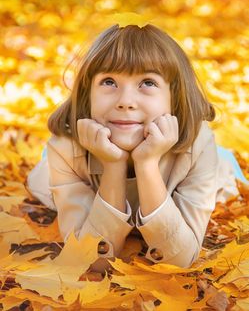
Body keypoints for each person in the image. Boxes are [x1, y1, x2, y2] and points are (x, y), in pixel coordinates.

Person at [26, 24, 248, 273]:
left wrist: (147, 164)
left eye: (148, 83)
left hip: (201, 165)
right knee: (41, 181)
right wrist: (112, 165)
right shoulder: (66, 149)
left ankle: (224, 157)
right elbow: (90, 260)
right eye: (109, 81)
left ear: (174, 96)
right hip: (72, 165)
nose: (125, 102)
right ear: (88, 93)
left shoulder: (198, 144)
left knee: (225, 175)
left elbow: (180, 259)